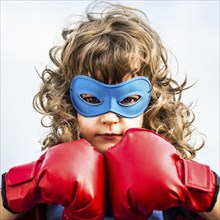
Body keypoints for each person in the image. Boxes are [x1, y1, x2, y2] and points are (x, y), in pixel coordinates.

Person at [1, 1, 219, 220]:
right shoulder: (45, 195)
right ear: (68, 102)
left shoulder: (177, 197)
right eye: (91, 98)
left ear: (152, 103)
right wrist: (28, 184)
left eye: (129, 98)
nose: (109, 118)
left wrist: (193, 184)